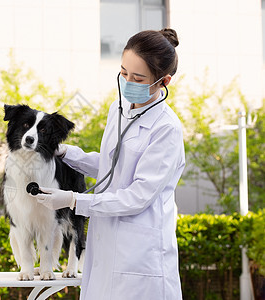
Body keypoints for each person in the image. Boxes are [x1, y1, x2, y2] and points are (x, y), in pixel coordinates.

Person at [33, 28, 185, 299]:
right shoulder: (120, 110)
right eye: (124, 72)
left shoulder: (166, 129)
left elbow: (137, 196)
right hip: (106, 245)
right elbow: (113, 168)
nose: (128, 82)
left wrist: (74, 200)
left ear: (164, 81)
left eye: (138, 78)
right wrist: (68, 153)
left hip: (140, 256)